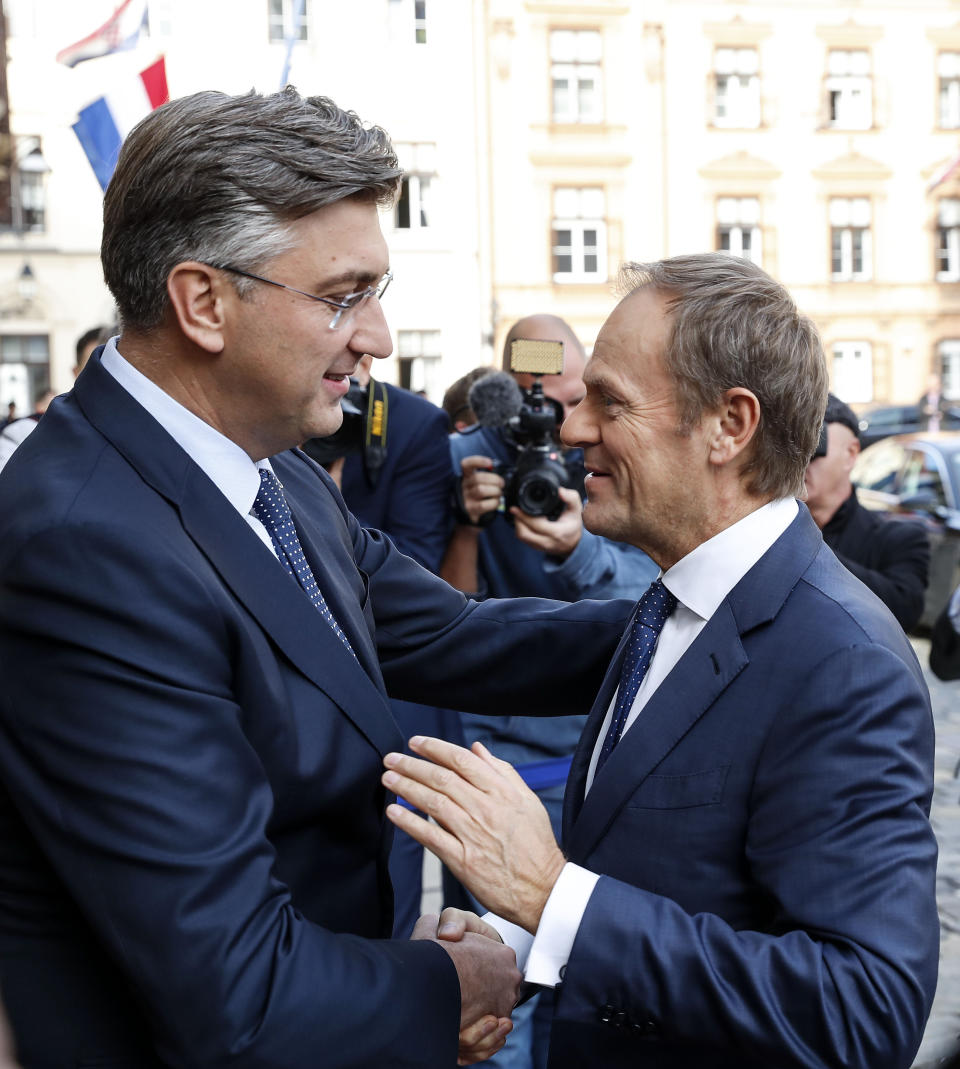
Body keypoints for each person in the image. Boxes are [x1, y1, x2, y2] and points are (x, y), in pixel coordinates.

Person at [0, 87, 634, 1068]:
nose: (377, 338)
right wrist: (451, 982)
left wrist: (706, 625)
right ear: (203, 300)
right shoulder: (86, 545)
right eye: (344, 295)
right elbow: (236, 991)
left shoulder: (271, 469)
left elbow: (458, 640)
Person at [383, 253, 939, 1069]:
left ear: (729, 425)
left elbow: (862, 1011)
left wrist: (549, 893)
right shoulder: (673, 602)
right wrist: (508, 943)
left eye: (610, 402)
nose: (572, 430)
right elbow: (656, 875)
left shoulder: (842, 663)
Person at [441, 315, 658, 1069]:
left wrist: (579, 549)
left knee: (597, 973)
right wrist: (466, 522)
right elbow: (441, 626)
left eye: (575, 399)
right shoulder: (463, 458)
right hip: (503, 761)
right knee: (502, 991)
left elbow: (662, 599)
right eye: (539, 403)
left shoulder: (614, 457)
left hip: (602, 760)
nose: (562, 425)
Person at [318, 352, 465, 938]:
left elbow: (416, 565)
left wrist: (328, 505)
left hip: (386, 679)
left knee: (397, 852)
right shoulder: (264, 424)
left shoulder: (409, 423)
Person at [804, 392, 929, 631]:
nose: (801, 460)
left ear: (851, 454)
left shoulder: (898, 538)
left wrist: (805, 546)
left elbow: (904, 610)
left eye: (813, 447)